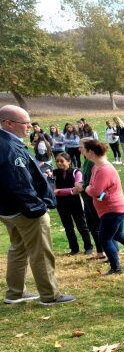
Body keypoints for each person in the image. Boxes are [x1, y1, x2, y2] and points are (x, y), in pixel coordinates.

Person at [0, 105, 75, 305]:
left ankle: (15, 292)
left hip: (9, 209)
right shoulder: (9, 148)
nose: (30, 128)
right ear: (8, 123)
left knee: (19, 248)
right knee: (40, 252)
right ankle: (50, 295)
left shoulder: (6, 143)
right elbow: (19, 184)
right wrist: (38, 208)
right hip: (25, 210)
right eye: (25, 124)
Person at [82, 139, 124, 274]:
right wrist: (96, 191)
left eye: (83, 149)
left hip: (113, 209)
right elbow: (99, 191)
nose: (80, 150)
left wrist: (89, 189)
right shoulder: (96, 167)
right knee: (118, 234)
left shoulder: (104, 169)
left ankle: (116, 267)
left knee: (105, 239)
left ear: (91, 152)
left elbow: (94, 190)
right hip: (112, 207)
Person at [52, 152, 94, 256]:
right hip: (61, 204)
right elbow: (51, 186)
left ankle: (88, 247)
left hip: (75, 202)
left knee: (81, 225)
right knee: (68, 227)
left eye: (62, 161)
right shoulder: (55, 173)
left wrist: (59, 191)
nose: (59, 163)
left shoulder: (76, 172)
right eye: (57, 161)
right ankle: (74, 248)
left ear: (69, 161)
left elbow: (77, 189)